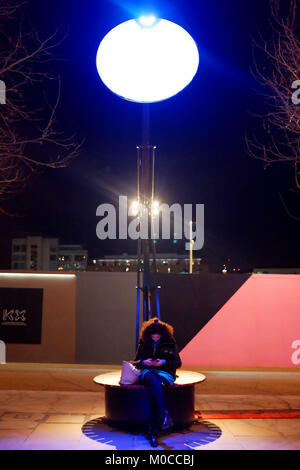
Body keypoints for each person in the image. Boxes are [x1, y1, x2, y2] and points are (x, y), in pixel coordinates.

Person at [134, 317, 182, 447]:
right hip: (148, 372)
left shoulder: (170, 342)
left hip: (165, 373)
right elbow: (136, 362)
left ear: (163, 334)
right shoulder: (143, 342)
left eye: (158, 336)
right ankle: (164, 413)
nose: (155, 338)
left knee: (154, 390)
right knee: (152, 380)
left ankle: (153, 432)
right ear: (148, 334)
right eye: (153, 336)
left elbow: (178, 363)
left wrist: (164, 362)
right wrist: (144, 362)